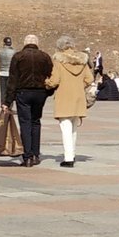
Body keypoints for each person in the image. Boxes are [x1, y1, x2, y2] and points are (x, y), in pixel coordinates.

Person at [46, 36, 93, 168]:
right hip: (78, 97)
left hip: (64, 97)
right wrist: (79, 86)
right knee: (73, 129)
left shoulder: (58, 61)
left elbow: (54, 81)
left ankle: (68, 158)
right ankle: (71, 154)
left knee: (65, 128)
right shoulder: (82, 60)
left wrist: (46, 83)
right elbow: (89, 79)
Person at [8, 35, 53, 167]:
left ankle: (27, 156)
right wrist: (48, 92)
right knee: (36, 121)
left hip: (23, 92)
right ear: (37, 43)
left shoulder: (18, 56)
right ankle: (36, 154)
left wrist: (7, 100)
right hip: (40, 93)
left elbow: (12, 80)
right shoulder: (45, 56)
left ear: (25, 43)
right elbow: (51, 75)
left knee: (25, 123)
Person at [0, 36, 16, 106]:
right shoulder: (13, 52)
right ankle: (9, 104)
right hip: (10, 73)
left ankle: (3, 104)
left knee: (3, 90)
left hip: (2, 72)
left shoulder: (0, 51)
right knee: (10, 90)